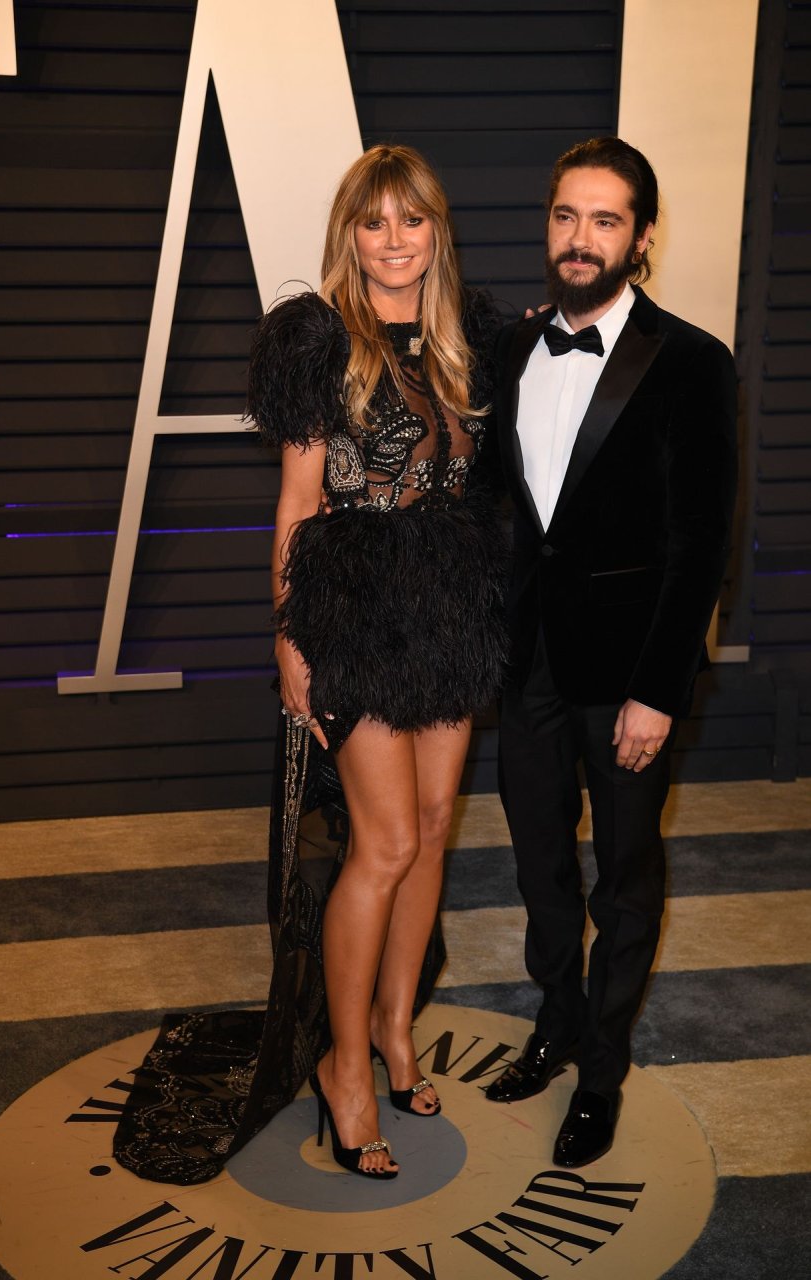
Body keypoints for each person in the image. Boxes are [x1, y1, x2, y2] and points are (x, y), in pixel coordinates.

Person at [113, 144, 506, 1184]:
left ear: (436, 231)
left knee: (433, 828)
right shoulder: (320, 341)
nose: (393, 240)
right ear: (350, 235)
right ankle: (343, 1068)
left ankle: (393, 1028)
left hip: (448, 608)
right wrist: (288, 638)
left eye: (411, 220)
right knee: (382, 841)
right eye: (373, 222)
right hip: (354, 614)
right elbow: (295, 505)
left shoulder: (466, 341)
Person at [486, 137, 737, 1169]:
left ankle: (601, 1070)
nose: (579, 238)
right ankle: (556, 1017)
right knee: (538, 864)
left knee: (623, 878)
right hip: (526, 665)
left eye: (604, 219)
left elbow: (698, 543)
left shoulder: (692, 361)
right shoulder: (511, 349)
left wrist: (657, 692)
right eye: (565, 215)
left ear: (641, 237)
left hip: (629, 675)